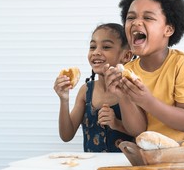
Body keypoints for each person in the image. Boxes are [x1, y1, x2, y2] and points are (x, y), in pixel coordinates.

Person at [104, 0, 184, 142]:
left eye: (148, 17)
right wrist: (122, 96)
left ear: (168, 29)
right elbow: (137, 130)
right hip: (153, 156)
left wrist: (147, 101)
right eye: (130, 17)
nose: (136, 22)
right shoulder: (128, 70)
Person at [54, 23, 134, 152]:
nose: (96, 52)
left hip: (124, 167)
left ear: (126, 56)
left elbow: (143, 134)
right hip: (91, 168)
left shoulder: (131, 89)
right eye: (92, 47)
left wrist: (117, 124)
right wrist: (64, 100)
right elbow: (66, 135)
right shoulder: (85, 91)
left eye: (106, 47)